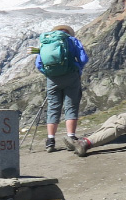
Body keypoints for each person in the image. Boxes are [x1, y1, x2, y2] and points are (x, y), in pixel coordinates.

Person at [35, 24, 88, 152]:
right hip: (71, 76)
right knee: (71, 106)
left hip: (52, 78)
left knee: (53, 107)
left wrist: (49, 73)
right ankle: (71, 137)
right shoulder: (72, 40)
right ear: (68, 32)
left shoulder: (45, 42)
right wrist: (77, 69)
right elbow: (83, 58)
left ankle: (50, 140)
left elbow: (38, 64)